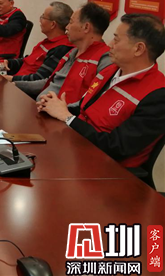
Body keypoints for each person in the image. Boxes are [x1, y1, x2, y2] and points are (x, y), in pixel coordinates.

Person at [38, 14, 165, 168]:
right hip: (76, 147)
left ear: (138, 49)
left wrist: (67, 118)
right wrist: (55, 107)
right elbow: (84, 108)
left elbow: (115, 146)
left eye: (116, 40)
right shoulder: (110, 71)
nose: (110, 45)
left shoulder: (157, 95)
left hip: (106, 169)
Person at [18, 2, 112, 103]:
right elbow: (51, 82)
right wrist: (15, 84)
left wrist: (58, 109)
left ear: (86, 27)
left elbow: (91, 100)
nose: (66, 27)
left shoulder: (104, 60)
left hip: (59, 111)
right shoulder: (72, 53)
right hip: (41, 106)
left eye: (71, 22)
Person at [0, 1, 73, 83]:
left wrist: (11, 79)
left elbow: (39, 79)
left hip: (21, 87)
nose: (40, 20)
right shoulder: (47, 41)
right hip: (15, 80)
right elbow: (28, 61)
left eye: (43, 17)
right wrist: (8, 62)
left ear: (53, 24)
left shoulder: (61, 48)